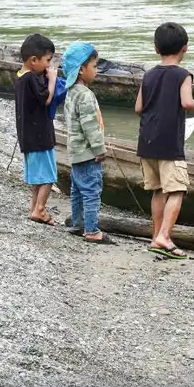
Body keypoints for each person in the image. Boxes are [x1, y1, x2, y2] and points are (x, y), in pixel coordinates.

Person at [135, 22, 194, 259]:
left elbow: (138, 107)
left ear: (156, 49)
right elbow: (187, 102)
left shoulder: (148, 74)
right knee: (177, 190)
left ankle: (156, 234)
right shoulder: (183, 75)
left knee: (157, 190)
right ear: (185, 49)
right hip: (169, 143)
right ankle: (164, 237)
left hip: (146, 142)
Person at [63, 41, 114, 245]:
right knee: (92, 191)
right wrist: (99, 149)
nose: (97, 71)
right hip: (88, 152)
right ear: (81, 70)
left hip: (75, 151)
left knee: (77, 189)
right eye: (94, 66)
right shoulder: (85, 95)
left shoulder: (71, 92)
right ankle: (92, 230)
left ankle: (78, 223)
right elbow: (90, 126)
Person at [15, 33, 58, 225]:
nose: (49, 66)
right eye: (47, 61)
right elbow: (46, 98)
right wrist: (52, 79)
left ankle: (34, 208)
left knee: (37, 178)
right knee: (49, 176)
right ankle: (40, 209)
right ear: (34, 60)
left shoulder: (20, 76)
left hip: (27, 135)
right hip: (40, 135)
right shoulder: (32, 78)